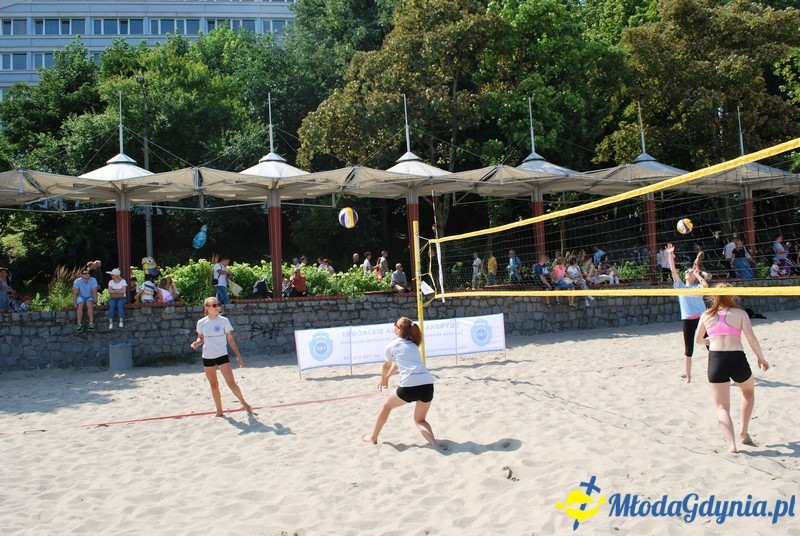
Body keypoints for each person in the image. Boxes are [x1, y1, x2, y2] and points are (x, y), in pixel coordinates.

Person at [695, 284, 769, 453]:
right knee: (749, 392)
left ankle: (732, 445)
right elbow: (751, 338)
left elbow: (698, 340)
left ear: (714, 297)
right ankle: (743, 430)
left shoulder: (706, 315)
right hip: (737, 358)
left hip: (716, 360)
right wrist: (760, 357)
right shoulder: (740, 314)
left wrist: (709, 341)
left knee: (722, 407)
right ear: (731, 296)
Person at [362, 316, 442, 449]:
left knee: (386, 406)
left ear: (398, 330)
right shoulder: (413, 345)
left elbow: (386, 366)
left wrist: (383, 379)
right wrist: (387, 378)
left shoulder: (392, 346)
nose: (394, 325)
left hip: (410, 386)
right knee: (420, 420)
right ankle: (435, 444)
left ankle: (373, 437)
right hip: (427, 384)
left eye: (395, 324)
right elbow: (398, 364)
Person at [190, 297, 253, 417]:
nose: (218, 307)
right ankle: (219, 411)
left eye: (218, 304)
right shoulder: (201, 322)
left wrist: (238, 355)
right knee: (213, 385)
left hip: (221, 355)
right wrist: (197, 343)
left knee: (231, 384)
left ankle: (244, 403)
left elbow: (230, 339)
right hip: (207, 356)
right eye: (214, 305)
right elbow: (201, 338)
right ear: (207, 307)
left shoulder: (224, 321)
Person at [666, 243, 709, 383]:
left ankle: (713, 369)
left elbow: (706, 286)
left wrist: (697, 274)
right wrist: (670, 255)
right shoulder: (680, 286)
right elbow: (673, 271)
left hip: (703, 319)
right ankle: (688, 377)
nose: (687, 272)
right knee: (688, 349)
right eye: (687, 272)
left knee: (710, 346)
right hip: (688, 320)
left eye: (690, 271)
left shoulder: (698, 286)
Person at [72, 267, 99, 332]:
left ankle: (91, 324)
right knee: (80, 305)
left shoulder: (93, 280)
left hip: (90, 296)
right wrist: (75, 302)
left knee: (89, 303)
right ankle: (79, 325)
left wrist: (95, 301)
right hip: (81, 296)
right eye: (85, 273)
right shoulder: (77, 281)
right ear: (81, 275)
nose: (87, 274)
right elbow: (75, 292)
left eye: (88, 273)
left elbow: (94, 292)